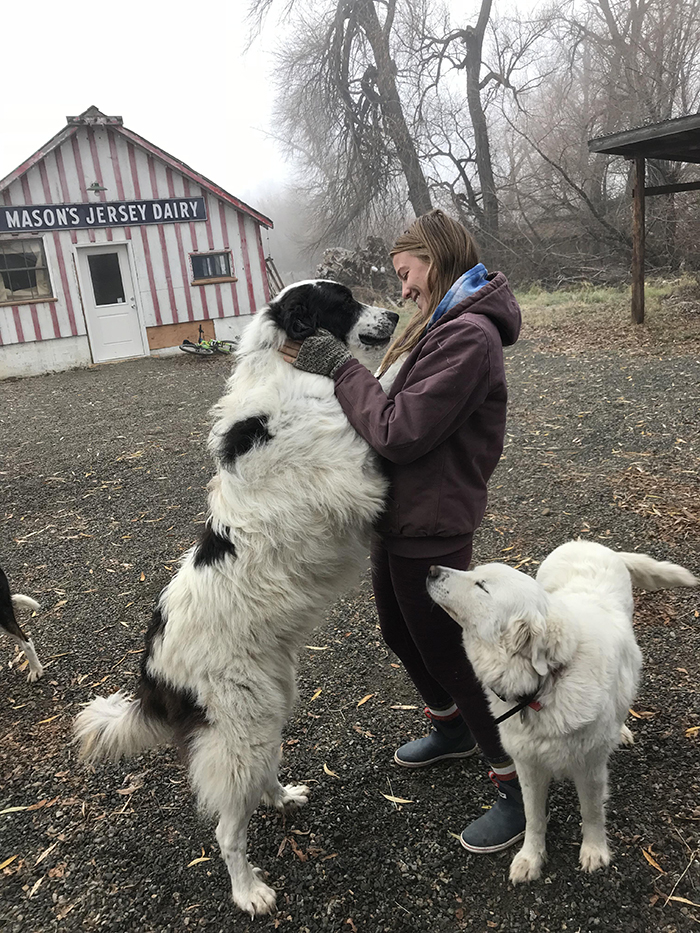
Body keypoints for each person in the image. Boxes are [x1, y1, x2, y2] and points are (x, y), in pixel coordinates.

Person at [280, 209, 523, 853]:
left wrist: (340, 368)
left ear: (434, 259)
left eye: (407, 273)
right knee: (398, 631)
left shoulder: (469, 337)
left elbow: (399, 429)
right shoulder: (438, 325)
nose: (405, 288)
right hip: (399, 510)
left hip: (433, 516)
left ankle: (516, 779)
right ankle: (450, 727)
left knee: (450, 650)